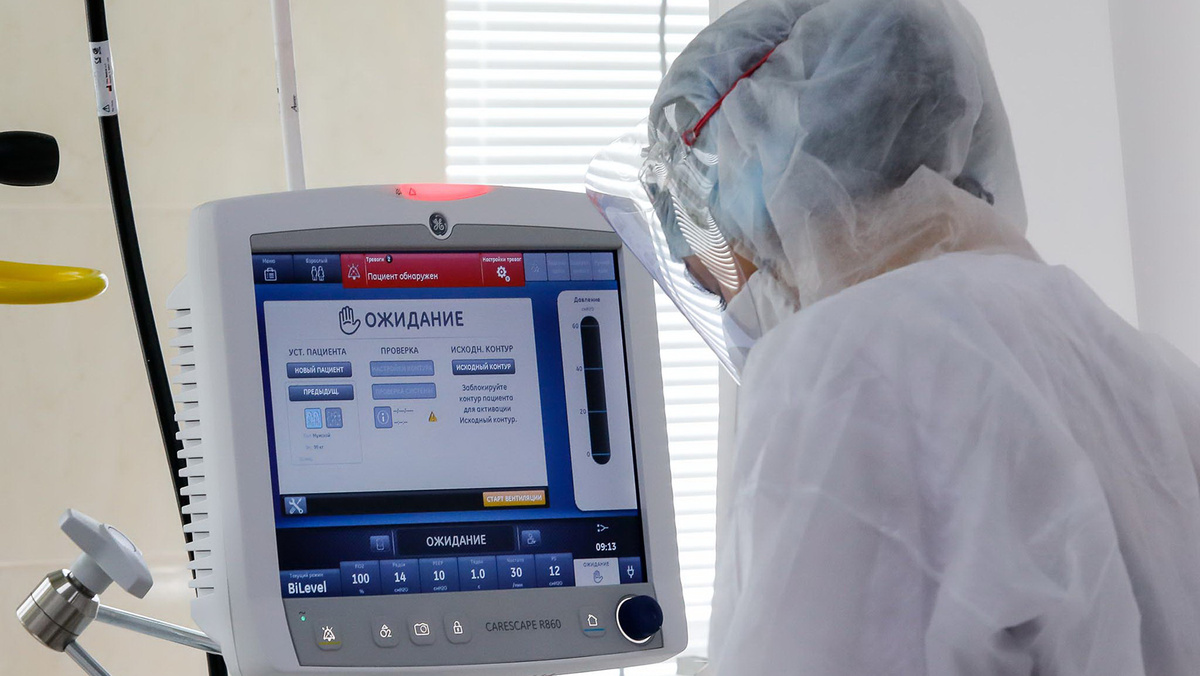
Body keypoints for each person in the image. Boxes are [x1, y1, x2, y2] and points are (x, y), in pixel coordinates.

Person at [585, 0, 1200, 673]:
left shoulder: (848, 363)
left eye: (716, 278)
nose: (730, 302)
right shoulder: (1139, 367)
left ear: (758, 203)